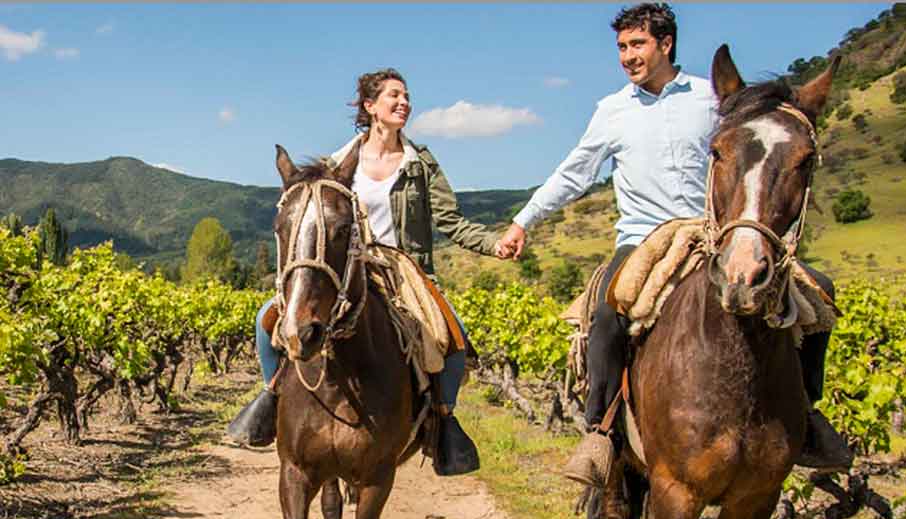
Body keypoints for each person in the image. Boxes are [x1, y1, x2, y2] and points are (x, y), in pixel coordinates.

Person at [496, 3, 853, 488]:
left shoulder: (713, 100)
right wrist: (523, 221)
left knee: (819, 295)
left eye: (637, 44)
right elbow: (574, 174)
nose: (627, 56)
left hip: (712, 234)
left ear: (665, 45)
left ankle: (807, 416)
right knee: (606, 314)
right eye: (622, 47)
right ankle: (600, 431)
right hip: (642, 238)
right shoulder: (612, 111)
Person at [228, 68, 507, 476]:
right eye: (393, 95)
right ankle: (270, 396)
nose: (403, 102)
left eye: (407, 96)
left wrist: (493, 244)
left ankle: (444, 423)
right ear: (370, 106)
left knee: (454, 337)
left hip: (403, 267)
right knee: (265, 320)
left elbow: (452, 221)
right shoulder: (336, 164)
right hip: (347, 266)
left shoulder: (420, 164)